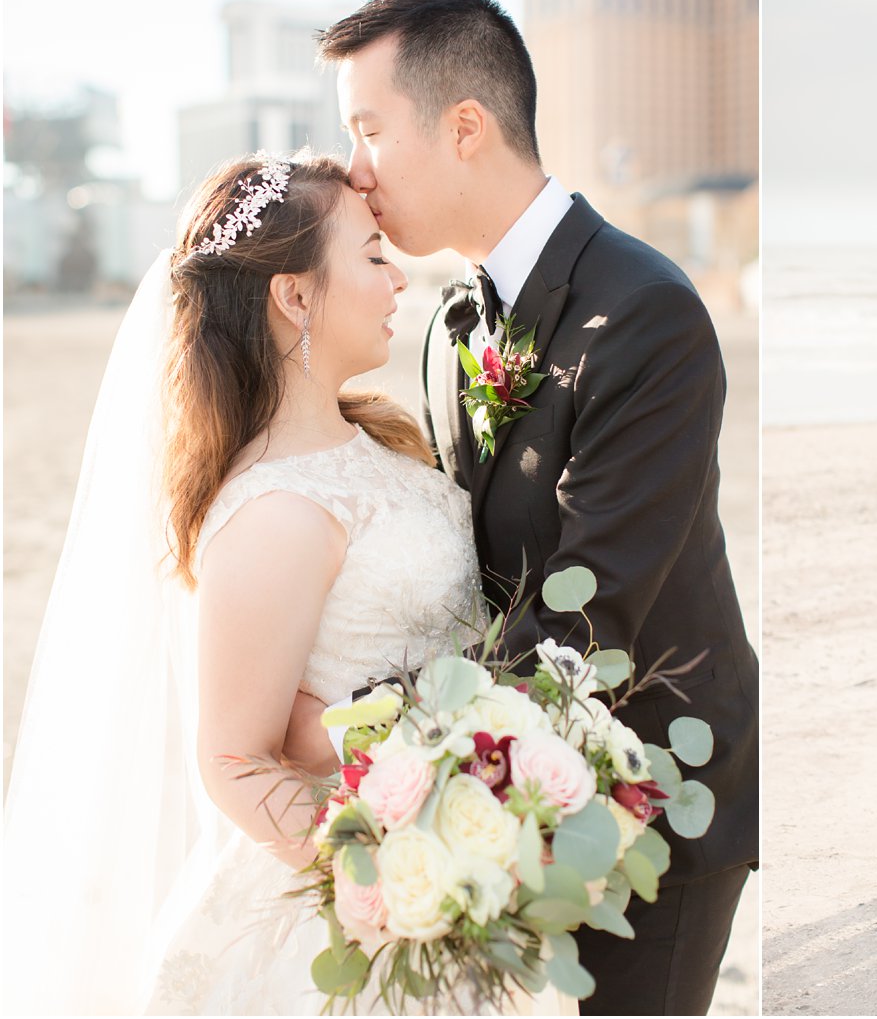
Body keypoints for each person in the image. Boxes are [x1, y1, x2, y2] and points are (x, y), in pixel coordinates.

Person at [3, 154, 572, 1013]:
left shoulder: (379, 439)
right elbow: (233, 758)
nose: (397, 280)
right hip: (360, 921)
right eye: (373, 255)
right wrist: (401, 886)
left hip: (462, 841)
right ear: (295, 296)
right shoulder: (273, 510)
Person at [312, 0, 759, 1016]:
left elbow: (583, 604)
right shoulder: (448, 320)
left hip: (655, 795)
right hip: (504, 793)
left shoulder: (646, 310)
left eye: (369, 130)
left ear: (464, 125)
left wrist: (391, 756)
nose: (354, 168)